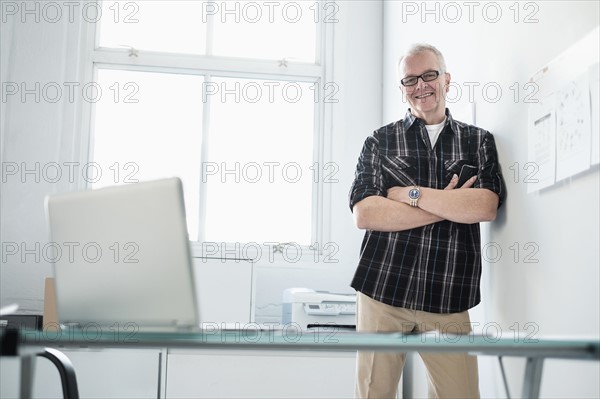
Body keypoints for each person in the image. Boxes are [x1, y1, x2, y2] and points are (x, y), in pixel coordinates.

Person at [349, 43, 506, 399]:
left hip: (448, 294)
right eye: (410, 80)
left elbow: (485, 206)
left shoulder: (478, 141)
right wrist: (451, 202)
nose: (421, 86)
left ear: (446, 79)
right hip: (382, 291)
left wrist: (411, 194)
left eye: (429, 75)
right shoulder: (380, 141)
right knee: (373, 394)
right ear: (402, 88)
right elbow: (366, 214)